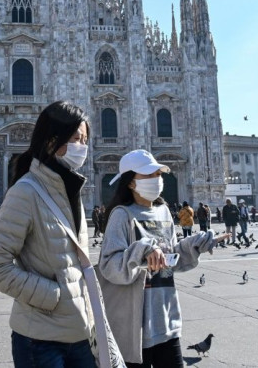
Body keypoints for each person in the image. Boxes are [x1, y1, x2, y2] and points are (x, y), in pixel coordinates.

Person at [0, 101, 95, 367]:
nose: (82, 147)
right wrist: (52, 296)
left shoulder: (70, 191)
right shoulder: (25, 191)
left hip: (79, 333)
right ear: (51, 141)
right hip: (41, 341)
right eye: (76, 138)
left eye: (85, 139)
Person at [98, 149, 227, 366]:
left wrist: (195, 244)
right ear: (130, 182)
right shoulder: (122, 214)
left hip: (166, 319)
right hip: (134, 326)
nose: (156, 180)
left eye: (157, 174)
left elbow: (169, 259)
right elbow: (109, 266)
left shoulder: (164, 212)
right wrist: (143, 250)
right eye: (148, 175)